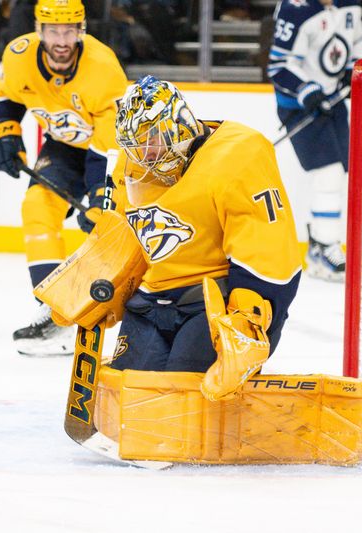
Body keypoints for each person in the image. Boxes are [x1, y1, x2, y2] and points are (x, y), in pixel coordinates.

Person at [106, 75, 302, 396]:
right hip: (153, 300)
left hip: (213, 303)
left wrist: (247, 320)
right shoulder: (133, 163)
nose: (146, 154)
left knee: (186, 399)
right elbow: (122, 232)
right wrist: (102, 280)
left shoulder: (239, 152)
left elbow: (269, 248)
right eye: (136, 144)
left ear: (179, 124)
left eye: (152, 138)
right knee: (129, 397)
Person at [0, 0, 128, 355]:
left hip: (109, 150)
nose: (61, 40)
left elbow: (107, 146)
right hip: (64, 146)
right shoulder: (18, 56)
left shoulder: (102, 67)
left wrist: (100, 194)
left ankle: (132, 311)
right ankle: (54, 312)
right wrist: (5, 130)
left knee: (103, 227)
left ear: (81, 30)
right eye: (53, 31)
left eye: (68, 31)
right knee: (36, 208)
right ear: (39, 30)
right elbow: (9, 96)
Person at [267, 0, 362, 282]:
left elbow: (356, 42)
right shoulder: (295, 9)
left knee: (339, 174)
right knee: (329, 172)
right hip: (299, 105)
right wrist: (307, 91)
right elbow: (279, 65)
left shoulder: (350, 6)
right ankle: (324, 246)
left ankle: (319, 246)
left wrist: (352, 72)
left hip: (332, 102)